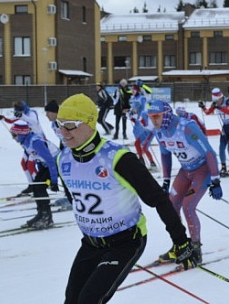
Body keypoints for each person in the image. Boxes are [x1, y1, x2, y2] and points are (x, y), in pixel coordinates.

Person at [53, 94, 197, 303]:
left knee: (88, 300)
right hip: (91, 244)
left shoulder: (118, 158)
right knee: (71, 300)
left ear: (90, 123)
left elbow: (158, 199)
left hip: (125, 241)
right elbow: (75, 199)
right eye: (59, 125)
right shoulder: (62, 158)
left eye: (70, 125)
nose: (63, 132)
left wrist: (181, 242)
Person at [147, 100, 222, 264]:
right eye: (151, 117)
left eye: (157, 116)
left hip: (202, 170)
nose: (154, 120)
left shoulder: (187, 127)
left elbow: (209, 153)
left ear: (166, 115)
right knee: (171, 206)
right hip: (185, 170)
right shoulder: (159, 132)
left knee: (188, 207)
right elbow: (165, 155)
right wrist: (166, 181)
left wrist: (216, 180)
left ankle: (195, 249)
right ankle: (180, 245)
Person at [9, 120, 60, 229]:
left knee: (40, 188)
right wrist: (40, 176)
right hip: (46, 165)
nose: (13, 138)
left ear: (21, 133)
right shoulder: (26, 143)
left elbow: (50, 160)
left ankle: (46, 217)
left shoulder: (35, 142)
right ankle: (41, 214)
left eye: (14, 135)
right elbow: (39, 160)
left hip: (56, 163)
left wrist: (54, 181)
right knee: (36, 186)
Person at [200, 87, 229, 176]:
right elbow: (208, 112)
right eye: (215, 100)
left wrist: (218, 107)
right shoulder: (215, 103)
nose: (216, 102)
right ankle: (223, 167)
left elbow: (228, 111)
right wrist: (203, 107)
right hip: (226, 127)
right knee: (221, 147)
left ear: (221, 97)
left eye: (217, 100)